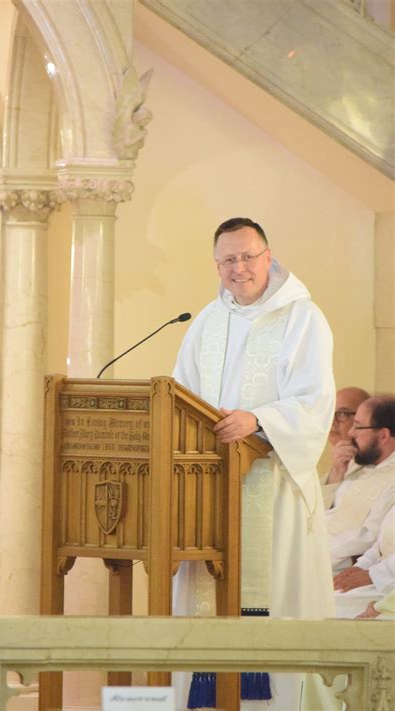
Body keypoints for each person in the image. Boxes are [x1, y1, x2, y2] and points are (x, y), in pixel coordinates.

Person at [172, 217, 336, 709]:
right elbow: (181, 395)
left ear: (268, 256)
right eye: (228, 260)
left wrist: (258, 419)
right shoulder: (206, 320)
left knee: (272, 598)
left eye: (247, 256)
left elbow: (314, 401)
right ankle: (207, 698)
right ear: (216, 265)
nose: (239, 268)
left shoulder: (302, 317)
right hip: (209, 488)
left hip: (272, 481)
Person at [324, 395, 395, 573]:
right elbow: (328, 512)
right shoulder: (361, 463)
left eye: (358, 425)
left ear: (383, 435)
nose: (350, 433)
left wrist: (313, 551)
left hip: (335, 562)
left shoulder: (391, 479)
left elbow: (368, 537)